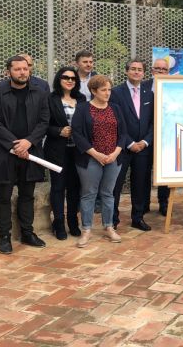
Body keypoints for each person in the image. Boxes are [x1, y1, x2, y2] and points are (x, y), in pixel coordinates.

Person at [0, 55, 50, 254]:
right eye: (17, 69)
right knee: (3, 196)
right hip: (4, 152)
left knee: (27, 195)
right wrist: (15, 145)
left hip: (30, 151)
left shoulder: (39, 93)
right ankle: (4, 237)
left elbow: (44, 121)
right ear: (8, 72)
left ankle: (27, 233)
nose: (22, 72)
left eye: (25, 69)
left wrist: (28, 142)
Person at [72, 75, 127, 247]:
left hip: (113, 158)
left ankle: (109, 227)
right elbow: (77, 134)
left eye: (109, 89)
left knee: (108, 193)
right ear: (93, 91)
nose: (108, 93)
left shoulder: (116, 108)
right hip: (90, 158)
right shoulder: (83, 108)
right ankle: (86, 229)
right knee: (89, 194)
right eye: (104, 90)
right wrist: (96, 154)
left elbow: (123, 133)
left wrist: (116, 153)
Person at [110, 60, 154, 232]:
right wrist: (129, 142)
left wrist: (145, 141)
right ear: (126, 71)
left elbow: (153, 121)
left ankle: (138, 217)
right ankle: (112, 219)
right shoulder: (116, 93)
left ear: (144, 73)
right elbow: (114, 121)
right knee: (116, 184)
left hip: (143, 148)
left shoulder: (149, 94)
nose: (136, 72)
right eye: (133, 69)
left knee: (140, 184)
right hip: (122, 147)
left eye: (140, 70)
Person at [44, 66, 86, 240]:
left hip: (78, 151)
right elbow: (43, 124)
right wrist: (58, 131)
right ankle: (59, 224)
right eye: (66, 77)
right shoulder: (50, 99)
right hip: (57, 151)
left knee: (75, 188)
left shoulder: (81, 99)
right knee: (58, 188)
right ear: (59, 80)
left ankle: (73, 222)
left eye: (73, 78)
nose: (70, 81)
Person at [144, 57, 170, 215]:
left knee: (164, 171)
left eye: (164, 69)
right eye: (157, 68)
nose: (160, 71)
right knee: (144, 170)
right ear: (152, 70)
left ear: (168, 71)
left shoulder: (173, 87)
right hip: (145, 135)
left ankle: (164, 203)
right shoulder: (143, 86)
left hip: (166, 136)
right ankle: (144, 203)